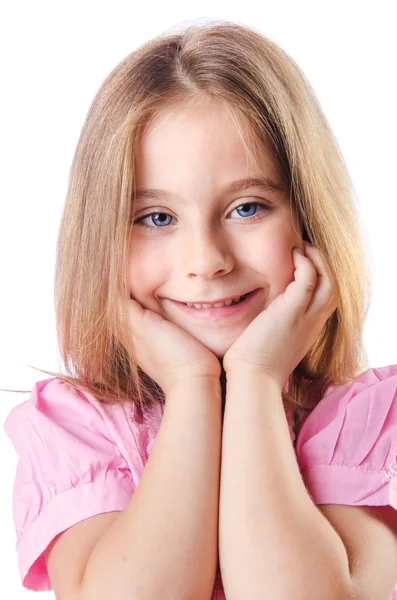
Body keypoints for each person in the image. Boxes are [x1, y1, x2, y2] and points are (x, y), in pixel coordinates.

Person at [3, 18, 397, 600]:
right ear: (101, 240)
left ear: (309, 216)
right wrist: (193, 387)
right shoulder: (78, 427)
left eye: (247, 208)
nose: (206, 260)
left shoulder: (369, 421)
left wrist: (257, 379)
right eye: (156, 218)